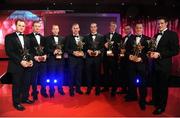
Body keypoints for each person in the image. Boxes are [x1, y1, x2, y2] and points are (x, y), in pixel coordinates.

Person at [148, 17, 179, 115]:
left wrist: (160, 54)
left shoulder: (172, 34)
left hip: (164, 66)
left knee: (162, 87)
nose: (160, 25)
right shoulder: (156, 35)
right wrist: (151, 53)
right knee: (155, 84)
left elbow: (175, 51)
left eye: (162, 23)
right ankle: (155, 101)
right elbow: (154, 48)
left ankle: (161, 107)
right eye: (158, 24)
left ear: (166, 24)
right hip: (154, 65)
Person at [5, 19, 34, 111]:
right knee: (17, 85)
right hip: (16, 65)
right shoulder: (9, 37)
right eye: (19, 25)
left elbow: (29, 52)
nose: (21, 27)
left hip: (27, 65)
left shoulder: (27, 38)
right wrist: (21, 61)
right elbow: (9, 52)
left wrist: (31, 60)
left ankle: (25, 98)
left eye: (23, 26)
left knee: (26, 83)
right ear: (16, 26)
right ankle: (16, 103)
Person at [126, 23, 150, 110]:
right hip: (131, 65)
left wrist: (141, 58)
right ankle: (133, 96)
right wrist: (129, 56)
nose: (139, 29)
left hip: (142, 65)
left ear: (143, 29)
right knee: (132, 81)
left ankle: (142, 101)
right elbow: (127, 50)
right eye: (137, 28)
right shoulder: (130, 38)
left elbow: (148, 52)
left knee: (142, 84)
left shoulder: (148, 39)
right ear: (135, 29)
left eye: (140, 27)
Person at [28, 21, 48, 100]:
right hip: (34, 61)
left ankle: (43, 91)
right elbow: (28, 50)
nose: (37, 28)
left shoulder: (43, 38)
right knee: (34, 77)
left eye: (38, 26)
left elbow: (46, 49)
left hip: (43, 61)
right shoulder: (28, 37)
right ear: (32, 27)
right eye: (35, 26)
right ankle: (34, 92)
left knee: (43, 77)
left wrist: (45, 56)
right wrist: (34, 57)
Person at [102, 21, 122, 97]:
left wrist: (114, 53)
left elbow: (119, 48)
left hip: (114, 59)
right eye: (111, 26)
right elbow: (102, 47)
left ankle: (114, 90)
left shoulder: (119, 36)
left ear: (115, 27)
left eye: (114, 26)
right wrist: (105, 46)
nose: (112, 27)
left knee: (114, 75)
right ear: (109, 27)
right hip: (106, 59)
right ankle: (106, 87)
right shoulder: (105, 36)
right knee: (106, 74)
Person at [84, 23, 104, 96]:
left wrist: (98, 51)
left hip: (97, 58)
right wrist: (87, 50)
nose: (93, 28)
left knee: (97, 75)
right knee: (88, 74)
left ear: (97, 28)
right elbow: (84, 47)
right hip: (88, 59)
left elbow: (103, 48)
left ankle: (97, 89)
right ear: (90, 28)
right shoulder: (86, 37)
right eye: (91, 27)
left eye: (94, 27)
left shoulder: (101, 37)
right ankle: (89, 89)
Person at [65, 23, 85, 96]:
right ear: (72, 29)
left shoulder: (82, 38)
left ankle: (78, 89)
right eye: (74, 28)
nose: (76, 29)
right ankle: (71, 90)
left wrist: (83, 53)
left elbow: (84, 49)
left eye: (77, 28)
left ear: (79, 29)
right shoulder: (68, 37)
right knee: (71, 75)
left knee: (79, 75)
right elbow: (66, 49)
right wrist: (73, 52)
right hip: (72, 59)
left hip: (80, 60)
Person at [46, 25, 65, 98]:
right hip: (52, 60)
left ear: (59, 30)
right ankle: (51, 90)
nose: (55, 30)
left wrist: (61, 51)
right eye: (54, 29)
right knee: (51, 75)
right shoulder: (48, 39)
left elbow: (65, 48)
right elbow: (46, 49)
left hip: (60, 60)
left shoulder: (63, 38)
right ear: (52, 30)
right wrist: (53, 51)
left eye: (56, 29)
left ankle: (60, 89)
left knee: (60, 75)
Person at [118, 25, 134, 94]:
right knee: (123, 76)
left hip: (130, 60)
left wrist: (126, 52)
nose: (126, 30)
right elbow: (121, 49)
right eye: (125, 29)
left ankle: (130, 92)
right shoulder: (123, 38)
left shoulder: (134, 38)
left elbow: (133, 50)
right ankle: (123, 89)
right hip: (123, 60)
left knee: (129, 77)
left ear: (131, 29)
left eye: (128, 29)